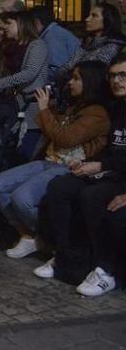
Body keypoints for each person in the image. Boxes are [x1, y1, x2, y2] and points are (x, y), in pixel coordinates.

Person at [0, 60, 111, 259]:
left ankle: (55, 238)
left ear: (90, 82)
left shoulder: (97, 113)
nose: (71, 82)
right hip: (48, 160)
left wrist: (44, 110)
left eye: (77, 78)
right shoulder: (75, 107)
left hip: (68, 167)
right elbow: (54, 132)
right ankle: (28, 235)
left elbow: (65, 138)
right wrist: (51, 108)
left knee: (22, 198)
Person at [37, 53, 126, 296]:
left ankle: (105, 269)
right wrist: (91, 162)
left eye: (123, 75)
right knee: (61, 187)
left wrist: (100, 166)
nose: (117, 81)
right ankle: (66, 258)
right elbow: (110, 148)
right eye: (113, 76)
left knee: (91, 196)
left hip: (120, 176)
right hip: (112, 169)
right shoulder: (116, 108)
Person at [0, 10, 49, 158]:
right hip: (16, 103)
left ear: (22, 24)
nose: (6, 27)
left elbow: (29, 73)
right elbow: (4, 75)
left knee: (26, 148)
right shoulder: (13, 48)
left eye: (9, 23)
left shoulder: (37, 45)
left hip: (32, 103)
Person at [59, 3, 126, 75]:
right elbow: (64, 68)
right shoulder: (88, 42)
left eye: (94, 16)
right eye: (89, 15)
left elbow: (89, 74)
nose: (87, 19)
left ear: (107, 19)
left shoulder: (112, 47)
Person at [30, 5, 79, 83]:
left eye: (29, 24)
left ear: (36, 22)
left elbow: (57, 69)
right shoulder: (52, 32)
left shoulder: (52, 36)